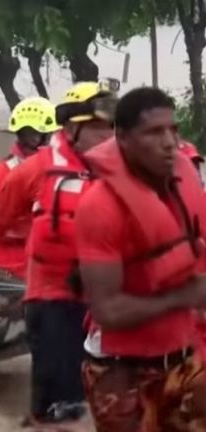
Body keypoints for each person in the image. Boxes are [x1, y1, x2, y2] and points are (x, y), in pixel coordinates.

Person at [0, 82, 117, 426]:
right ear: (70, 127)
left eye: (110, 127)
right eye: (96, 127)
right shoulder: (37, 170)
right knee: (62, 404)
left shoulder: (124, 170)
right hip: (52, 297)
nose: (105, 136)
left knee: (111, 400)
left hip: (107, 297)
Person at [76, 87, 206, 431]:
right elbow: (108, 310)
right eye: (154, 132)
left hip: (184, 358)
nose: (169, 142)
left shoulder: (185, 184)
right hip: (121, 371)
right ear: (122, 137)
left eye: (173, 130)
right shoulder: (99, 208)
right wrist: (185, 296)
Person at [0, 97, 59, 280]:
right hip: (6, 271)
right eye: (28, 134)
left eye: (37, 134)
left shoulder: (64, 173)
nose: (33, 140)